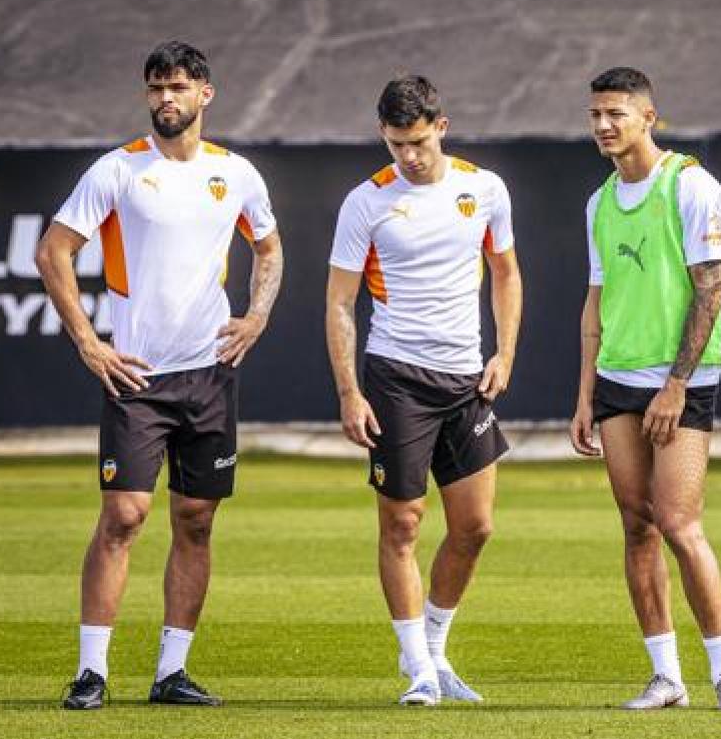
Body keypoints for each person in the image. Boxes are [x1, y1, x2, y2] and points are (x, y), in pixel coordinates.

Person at [37, 41, 284, 710]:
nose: (164, 100)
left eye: (176, 87)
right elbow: (53, 250)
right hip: (138, 377)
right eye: (154, 88)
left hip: (210, 374)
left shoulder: (236, 174)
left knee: (196, 521)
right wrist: (90, 343)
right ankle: (92, 671)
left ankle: (171, 673)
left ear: (206, 93)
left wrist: (256, 317)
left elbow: (268, 247)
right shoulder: (117, 170)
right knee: (123, 515)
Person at [325, 75, 521, 707]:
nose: (407, 156)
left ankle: (437, 653)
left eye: (415, 141)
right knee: (403, 525)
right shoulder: (366, 203)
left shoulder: (484, 189)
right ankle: (416, 669)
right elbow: (339, 303)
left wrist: (505, 353)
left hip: (466, 380)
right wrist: (350, 391)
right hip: (395, 378)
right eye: (393, 143)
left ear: (442, 125)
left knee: (477, 526)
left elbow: (506, 273)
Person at [569, 67, 721, 711]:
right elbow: (595, 302)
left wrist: (675, 385)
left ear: (649, 117)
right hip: (618, 380)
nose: (602, 126)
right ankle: (666, 676)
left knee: (679, 522)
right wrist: (586, 394)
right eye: (595, 115)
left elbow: (712, 287)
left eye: (615, 114)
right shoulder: (598, 202)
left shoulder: (691, 185)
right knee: (636, 526)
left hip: (683, 383)